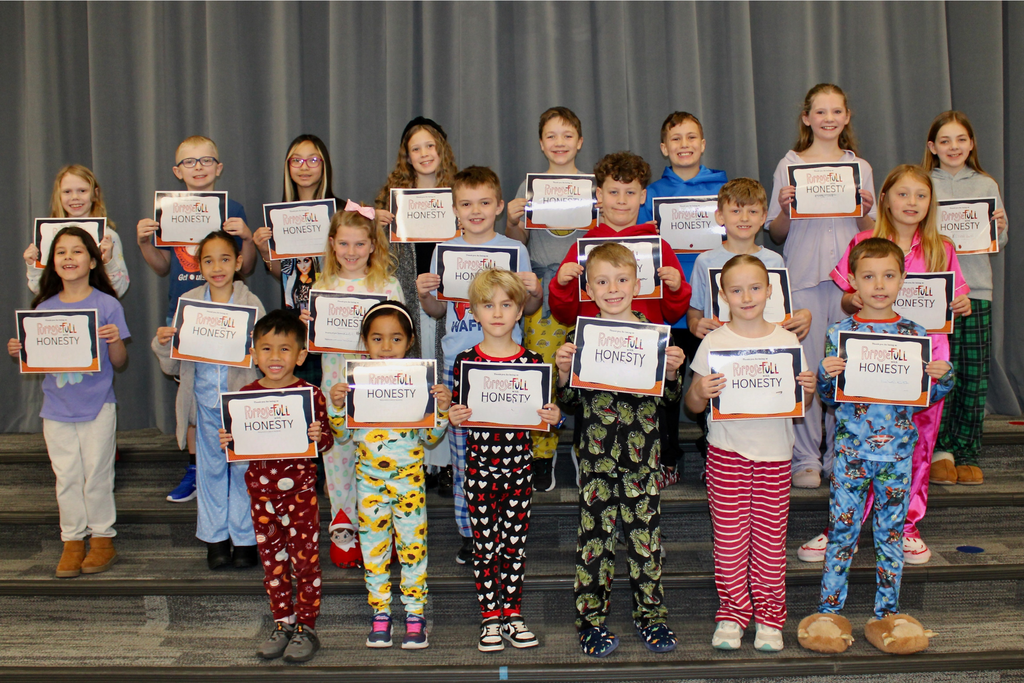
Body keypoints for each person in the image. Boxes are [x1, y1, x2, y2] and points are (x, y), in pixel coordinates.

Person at [797, 165, 970, 565]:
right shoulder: (864, 239)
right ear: (887, 198)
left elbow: (953, 301)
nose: (912, 203)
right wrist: (854, 301)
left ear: (931, 203)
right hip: (868, 359)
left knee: (918, 445)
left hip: (925, 359)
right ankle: (846, 525)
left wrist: (958, 304)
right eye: (903, 194)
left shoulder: (942, 247)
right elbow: (843, 299)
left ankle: (907, 527)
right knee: (859, 444)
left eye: (921, 195)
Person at [798, 237, 954, 652]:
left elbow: (928, 397)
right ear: (852, 281)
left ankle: (888, 614)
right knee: (842, 534)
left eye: (888, 276)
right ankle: (829, 612)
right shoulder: (841, 333)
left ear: (903, 279)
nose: (879, 285)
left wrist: (943, 376)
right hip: (851, 454)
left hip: (898, 456)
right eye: (868, 276)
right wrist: (826, 375)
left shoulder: (915, 333)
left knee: (889, 535)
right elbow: (830, 400)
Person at [554, 243, 686, 658]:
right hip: (596, 463)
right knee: (594, 543)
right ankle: (590, 621)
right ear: (588, 289)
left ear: (637, 283)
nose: (613, 289)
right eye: (602, 282)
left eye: (622, 279)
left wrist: (671, 372)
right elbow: (570, 404)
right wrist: (562, 372)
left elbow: (669, 401)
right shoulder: (580, 338)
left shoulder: (653, 335)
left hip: (642, 463)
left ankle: (652, 617)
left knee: (645, 544)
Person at [686, 255, 816, 652]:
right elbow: (692, 404)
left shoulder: (787, 340)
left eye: (755, 288)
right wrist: (700, 392)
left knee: (769, 544)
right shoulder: (714, 341)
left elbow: (803, 407)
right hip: (727, 455)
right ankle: (732, 613)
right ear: (722, 296)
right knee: (728, 543)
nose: (747, 296)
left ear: (770, 291)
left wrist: (807, 388)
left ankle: (770, 618)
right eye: (737, 290)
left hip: (776, 456)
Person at [416, 166, 539, 565]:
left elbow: (529, 308)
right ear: (454, 209)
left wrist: (535, 291)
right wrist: (424, 296)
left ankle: (506, 528)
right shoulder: (443, 250)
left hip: (507, 363)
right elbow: (438, 310)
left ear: (499, 206)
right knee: (464, 453)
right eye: (466, 203)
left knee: (507, 452)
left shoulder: (515, 250)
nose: (476, 210)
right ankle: (471, 532)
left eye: (485, 203)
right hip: (459, 361)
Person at [766, 84, 877, 490]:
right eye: (820, 111)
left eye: (836, 111)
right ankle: (807, 459)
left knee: (847, 369)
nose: (828, 118)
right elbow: (776, 234)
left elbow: (871, 231)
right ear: (806, 118)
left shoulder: (859, 167)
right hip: (804, 279)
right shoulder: (789, 163)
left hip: (850, 282)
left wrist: (865, 210)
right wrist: (785, 205)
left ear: (846, 117)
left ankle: (841, 456)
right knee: (808, 373)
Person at [137, 135, 258, 504]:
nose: (199, 167)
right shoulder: (167, 210)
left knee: (231, 386)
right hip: (185, 309)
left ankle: (240, 459)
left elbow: (247, 267)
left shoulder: (233, 208)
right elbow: (162, 267)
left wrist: (249, 239)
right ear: (178, 172)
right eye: (190, 162)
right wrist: (145, 244)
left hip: (229, 310)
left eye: (207, 161)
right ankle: (195, 467)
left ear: (218, 168)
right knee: (190, 392)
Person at [448, 269, 560, 652]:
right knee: (485, 545)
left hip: (519, 469)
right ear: (474, 312)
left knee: (513, 544)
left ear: (520, 311)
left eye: (507, 305)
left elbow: (548, 415)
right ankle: (490, 616)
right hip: (479, 470)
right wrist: (453, 415)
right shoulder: (465, 362)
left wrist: (553, 417)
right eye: (488, 305)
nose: (497, 313)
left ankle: (512, 611)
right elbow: (455, 409)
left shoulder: (532, 362)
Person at [329, 301, 451, 650]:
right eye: (377, 338)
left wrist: (440, 410)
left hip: (409, 484)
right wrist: (337, 407)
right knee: (374, 550)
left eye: (395, 339)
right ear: (364, 343)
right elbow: (341, 436)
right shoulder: (355, 383)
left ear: (409, 341)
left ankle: (415, 615)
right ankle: (380, 613)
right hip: (369, 485)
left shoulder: (419, 382)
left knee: (414, 550)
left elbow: (430, 439)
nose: (386, 346)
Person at [8, 226, 129, 578]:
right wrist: (20, 351)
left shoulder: (107, 305)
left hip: (98, 406)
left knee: (97, 474)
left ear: (93, 260)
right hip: (56, 408)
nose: (68, 258)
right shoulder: (43, 307)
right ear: (51, 262)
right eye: (61, 252)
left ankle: (103, 540)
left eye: (77, 251)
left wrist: (113, 340)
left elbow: (120, 361)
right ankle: (73, 541)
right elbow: (37, 357)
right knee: (67, 476)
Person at [217, 311, 334, 663]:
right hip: (261, 497)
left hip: (299, 496)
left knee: (305, 563)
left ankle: (307, 626)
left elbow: (327, 442)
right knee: (273, 564)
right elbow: (238, 447)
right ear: (253, 353)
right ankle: (283, 621)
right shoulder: (244, 396)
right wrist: (230, 438)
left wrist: (320, 436)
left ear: (300, 355)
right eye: (266, 349)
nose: (275, 357)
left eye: (285, 349)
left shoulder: (311, 395)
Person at [295, 203, 403, 561]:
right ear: (331, 244)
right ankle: (343, 525)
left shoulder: (387, 285)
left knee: (378, 455)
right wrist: (309, 324)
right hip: (335, 386)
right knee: (338, 455)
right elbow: (312, 342)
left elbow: (401, 336)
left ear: (373, 245)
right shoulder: (321, 286)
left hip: (378, 386)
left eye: (359, 244)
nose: (352, 252)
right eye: (344, 244)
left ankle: (384, 527)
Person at [151, 230, 265, 570]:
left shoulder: (251, 303)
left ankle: (244, 540)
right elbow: (172, 364)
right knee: (211, 473)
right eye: (209, 260)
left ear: (239, 262)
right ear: (199, 266)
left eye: (225, 259)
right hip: (205, 405)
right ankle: (215, 539)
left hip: (241, 407)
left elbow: (266, 357)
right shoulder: (189, 302)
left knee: (245, 473)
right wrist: (162, 342)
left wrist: (254, 352)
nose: (218, 267)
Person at [687, 179, 812, 479]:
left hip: (766, 355)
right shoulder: (705, 261)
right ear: (720, 216)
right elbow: (694, 309)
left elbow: (783, 308)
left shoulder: (774, 260)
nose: (744, 219)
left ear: (762, 216)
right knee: (718, 403)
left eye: (753, 211)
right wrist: (695, 323)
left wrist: (801, 316)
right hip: (724, 349)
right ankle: (718, 463)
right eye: (736, 211)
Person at [637, 112, 729, 482]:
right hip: (668, 311)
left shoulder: (722, 189)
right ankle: (667, 457)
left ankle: (717, 455)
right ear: (664, 148)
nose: (685, 144)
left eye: (692, 137)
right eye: (676, 139)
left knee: (715, 384)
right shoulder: (653, 194)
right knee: (667, 392)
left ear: (703, 144)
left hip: (714, 309)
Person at [923, 111, 1009, 486]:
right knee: (940, 375)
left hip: (976, 292)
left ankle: (967, 451)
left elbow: (997, 242)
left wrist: (1000, 229)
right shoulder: (923, 184)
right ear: (932, 147)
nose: (953, 147)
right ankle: (939, 450)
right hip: (931, 296)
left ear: (971, 144)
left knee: (973, 377)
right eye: (945, 140)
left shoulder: (985, 183)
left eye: (960, 140)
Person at [505, 106, 588, 492]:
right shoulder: (529, 188)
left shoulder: (591, 186)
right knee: (545, 369)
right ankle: (543, 451)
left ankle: (588, 446)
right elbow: (517, 241)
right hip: (542, 282)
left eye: (567, 135)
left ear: (580, 142)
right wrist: (511, 220)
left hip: (588, 287)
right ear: (541, 143)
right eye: (552, 136)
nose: (559, 143)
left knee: (588, 369)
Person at [375, 117, 459, 494]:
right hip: (407, 298)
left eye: (430, 145)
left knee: (444, 376)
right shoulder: (391, 200)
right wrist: (375, 223)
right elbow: (375, 251)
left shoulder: (459, 194)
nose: (424, 154)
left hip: (448, 302)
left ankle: (445, 463)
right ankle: (419, 459)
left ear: (441, 149)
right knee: (415, 371)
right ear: (406, 157)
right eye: (416, 148)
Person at [548, 151, 691, 328]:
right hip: (596, 345)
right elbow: (564, 316)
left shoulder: (660, 249)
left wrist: (676, 289)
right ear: (599, 195)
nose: (621, 200)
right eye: (614, 192)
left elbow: (674, 313)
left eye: (630, 192)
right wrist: (561, 285)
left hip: (643, 347)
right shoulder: (581, 249)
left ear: (642, 196)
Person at [23, 165, 130, 298]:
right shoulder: (48, 236)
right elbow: (39, 290)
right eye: (67, 192)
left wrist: (108, 261)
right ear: (59, 195)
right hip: (58, 313)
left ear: (95, 194)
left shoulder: (108, 238)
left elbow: (118, 290)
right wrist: (32, 265)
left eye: (82, 191)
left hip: (97, 311)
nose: (75, 197)